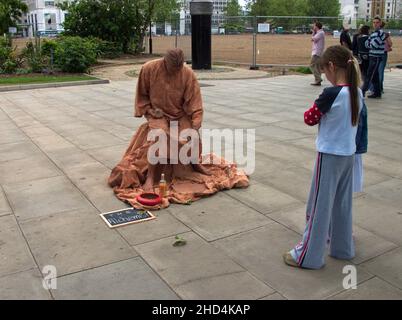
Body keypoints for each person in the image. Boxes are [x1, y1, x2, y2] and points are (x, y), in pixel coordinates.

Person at [108, 48, 249, 209]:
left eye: (178, 68)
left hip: (180, 114)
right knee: (159, 135)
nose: (175, 71)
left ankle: (195, 163)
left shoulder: (187, 74)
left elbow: (195, 102)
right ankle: (151, 177)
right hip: (158, 114)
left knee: (189, 135)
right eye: (172, 68)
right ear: (164, 61)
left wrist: (196, 123)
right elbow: (142, 95)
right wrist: (149, 110)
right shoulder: (149, 68)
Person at [283, 45, 363, 269]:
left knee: (319, 206)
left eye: (324, 71)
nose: (325, 76)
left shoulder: (332, 94)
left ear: (330, 66)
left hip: (329, 156)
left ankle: (308, 256)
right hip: (348, 155)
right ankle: (343, 248)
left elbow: (310, 118)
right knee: (342, 204)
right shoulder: (357, 92)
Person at [361, 16, 386, 98]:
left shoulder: (380, 33)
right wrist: (370, 43)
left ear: (380, 23)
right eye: (374, 22)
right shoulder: (373, 33)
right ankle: (377, 93)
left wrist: (370, 43)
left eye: (377, 22)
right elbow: (367, 44)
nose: (375, 24)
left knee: (370, 74)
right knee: (374, 76)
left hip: (376, 57)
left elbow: (373, 45)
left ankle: (362, 91)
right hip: (372, 56)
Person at [378, 22, 393, 94]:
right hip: (383, 53)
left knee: (374, 71)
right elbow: (390, 43)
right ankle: (380, 88)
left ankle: (374, 88)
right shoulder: (386, 34)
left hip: (374, 53)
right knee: (380, 71)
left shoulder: (374, 33)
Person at [310, 21, 325, 86]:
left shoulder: (320, 33)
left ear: (317, 26)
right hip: (318, 51)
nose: (313, 27)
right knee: (317, 66)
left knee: (312, 65)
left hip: (317, 52)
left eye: (314, 26)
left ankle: (318, 78)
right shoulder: (320, 32)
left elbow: (313, 39)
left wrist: (313, 33)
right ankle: (318, 81)